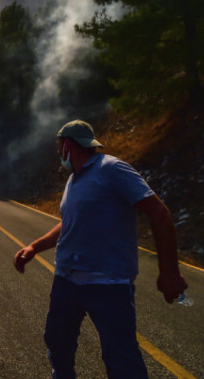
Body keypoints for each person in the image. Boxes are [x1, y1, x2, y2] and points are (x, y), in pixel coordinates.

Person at [13, 120, 188, 379]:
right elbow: (70, 223)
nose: (57, 152)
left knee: (121, 359)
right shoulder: (74, 179)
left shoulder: (111, 169)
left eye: (59, 146)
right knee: (57, 341)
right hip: (67, 281)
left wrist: (169, 271)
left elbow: (159, 213)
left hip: (108, 284)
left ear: (68, 145)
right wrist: (34, 247)